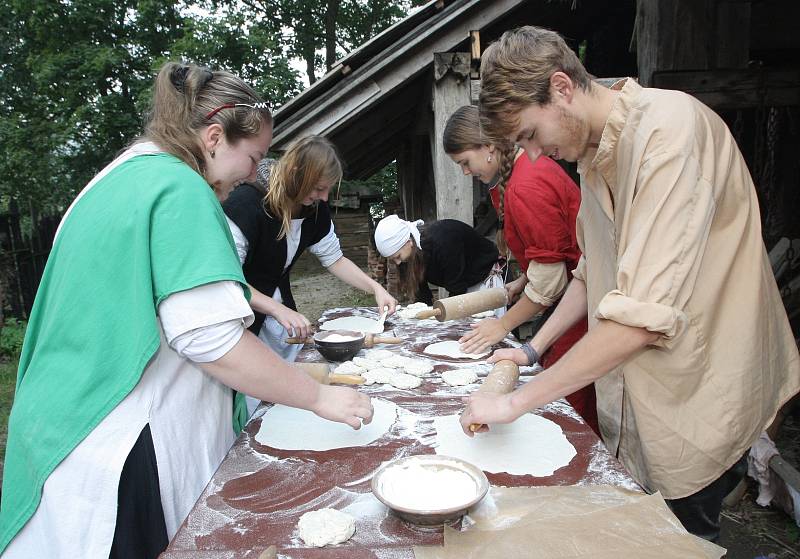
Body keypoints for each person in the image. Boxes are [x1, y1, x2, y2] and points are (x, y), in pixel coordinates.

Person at [0, 62, 373, 559]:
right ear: (214, 136)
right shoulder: (180, 189)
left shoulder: (115, 179)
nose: (256, 174)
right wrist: (318, 398)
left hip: (58, 424)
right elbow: (213, 342)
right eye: (254, 156)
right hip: (119, 440)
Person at [460, 26, 800, 542]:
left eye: (529, 135)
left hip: (700, 397)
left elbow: (637, 319)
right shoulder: (594, 160)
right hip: (644, 404)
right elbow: (589, 276)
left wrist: (513, 403)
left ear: (561, 88)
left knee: (682, 539)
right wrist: (530, 352)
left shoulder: (669, 134)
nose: (531, 153)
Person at [443, 104, 598, 434]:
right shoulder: (511, 178)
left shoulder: (527, 184)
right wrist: (522, 281)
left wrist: (502, 325)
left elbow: (552, 278)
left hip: (584, 302)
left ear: (487, 146)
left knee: (565, 400)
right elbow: (551, 246)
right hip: (570, 291)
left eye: (464, 163)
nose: (465, 172)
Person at [223, 136, 397, 415]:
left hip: (281, 321)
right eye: (319, 188)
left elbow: (335, 259)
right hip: (241, 325)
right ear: (297, 175)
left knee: (292, 394)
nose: (324, 197)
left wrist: (374, 287)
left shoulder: (313, 208)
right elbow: (228, 280)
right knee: (255, 404)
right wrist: (276, 309)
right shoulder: (246, 205)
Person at [373, 215, 503, 310]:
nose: (398, 262)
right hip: (465, 286)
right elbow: (422, 294)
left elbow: (457, 289)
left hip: (487, 280)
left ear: (408, 242)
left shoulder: (443, 240)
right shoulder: (412, 254)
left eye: (398, 256)